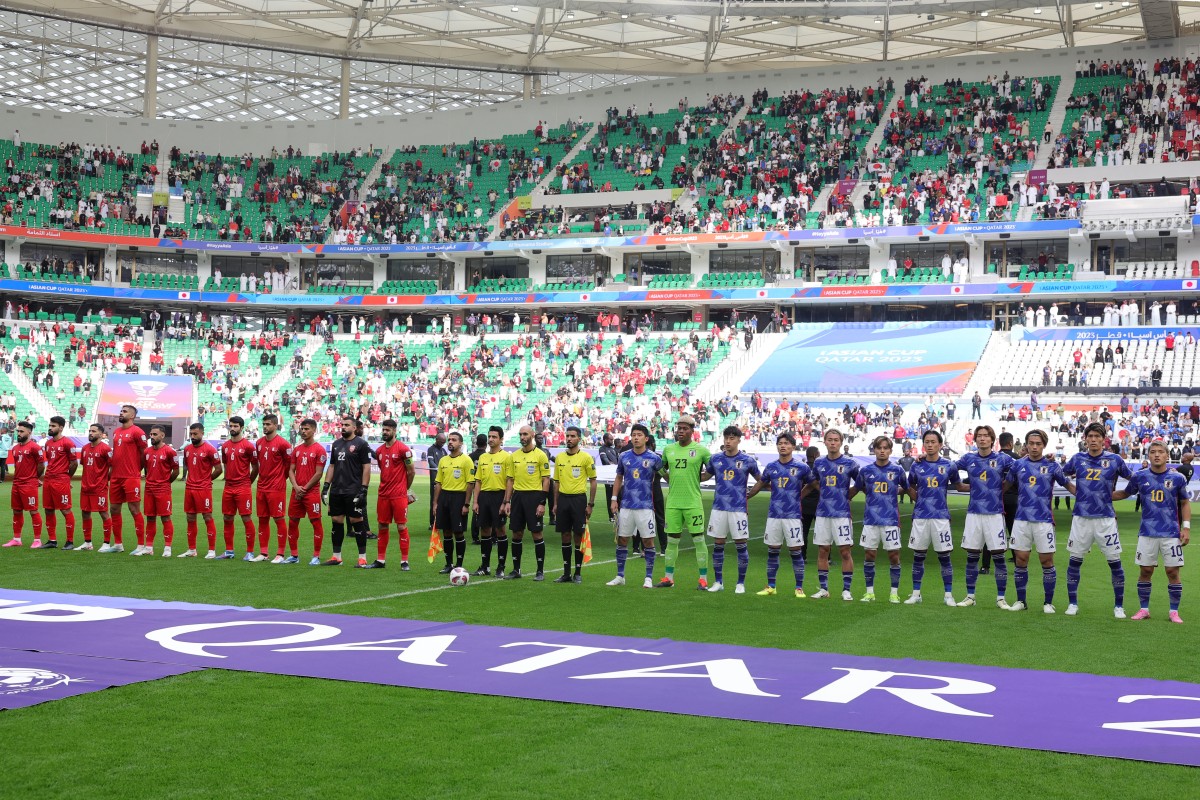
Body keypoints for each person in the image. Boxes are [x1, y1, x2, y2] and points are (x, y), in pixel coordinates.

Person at [1114, 440, 1190, 623]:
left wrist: (1186, 527)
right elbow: (1124, 494)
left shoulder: (1178, 478)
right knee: (1146, 571)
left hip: (1171, 534)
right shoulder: (1139, 476)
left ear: (1167, 455)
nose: (1156, 455)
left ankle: (1174, 612)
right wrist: (1101, 495)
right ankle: (1144, 609)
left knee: (1172, 572)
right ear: (1148, 455)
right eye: (1153, 452)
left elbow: (1185, 502)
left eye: (1160, 452)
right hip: (1147, 533)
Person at [1062, 422, 1133, 618]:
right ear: (1085, 439)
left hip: (1106, 519)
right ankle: (1072, 604)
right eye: (1090, 436)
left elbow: (1134, 481)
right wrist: (1073, 489)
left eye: (1097, 436)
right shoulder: (1077, 459)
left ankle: (1119, 606)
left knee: (1114, 562)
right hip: (1081, 518)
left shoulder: (1115, 459)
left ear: (1103, 439)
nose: (1093, 440)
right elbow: (1059, 475)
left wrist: (1120, 495)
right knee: (1075, 561)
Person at [1004, 429, 1075, 613]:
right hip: (1021, 520)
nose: (1034, 447)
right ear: (1026, 444)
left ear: (1044, 445)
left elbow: (1067, 484)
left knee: (1046, 561)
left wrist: (1087, 498)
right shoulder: (1017, 465)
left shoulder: (1052, 466)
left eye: (1038, 444)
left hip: (1044, 520)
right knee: (1021, 559)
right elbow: (1004, 486)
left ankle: (1048, 603)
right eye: (1031, 443)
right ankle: (1021, 601)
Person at [953, 425, 1013, 608]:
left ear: (992, 439)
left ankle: (1001, 598)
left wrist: (1004, 486)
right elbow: (948, 468)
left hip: (994, 514)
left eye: (986, 436)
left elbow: (1021, 469)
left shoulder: (1002, 458)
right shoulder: (969, 458)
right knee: (972, 556)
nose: (982, 439)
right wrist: (958, 484)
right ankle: (970, 596)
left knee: (999, 557)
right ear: (975, 439)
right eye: (979, 436)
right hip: (974, 514)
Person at [749, 432, 811, 597]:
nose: (783, 446)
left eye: (786, 443)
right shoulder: (771, 467)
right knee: (773, 551)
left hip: (793, 516)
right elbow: (761, 483)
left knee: (796, 551)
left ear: (792, 446)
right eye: (780, 443)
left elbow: (813, 484)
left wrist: (800, 495)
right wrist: (747, 496)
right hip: (774, 515)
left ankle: (799, 587)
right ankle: (771, 586)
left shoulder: (801, 467)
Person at [905, 430, 962, 606]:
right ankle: (916, 594)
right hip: (921, 516)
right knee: (918, 556)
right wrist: (919, 500)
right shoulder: (916, 465)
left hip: (940, 517)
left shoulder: (949, 465)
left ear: (939, 444)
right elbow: (910, 486)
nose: (930, 444)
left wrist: (983, 487)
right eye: (927, 442)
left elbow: (959, 485)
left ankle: (948, 595)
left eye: (933, 442)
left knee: (944, 556)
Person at [702, 425, 761, 593]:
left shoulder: (748, 460)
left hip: (738, 509)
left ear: (738, 440)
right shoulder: (715, 459)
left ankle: (740, 583)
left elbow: (761, 479)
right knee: (718, 544)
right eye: (726, 438)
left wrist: (750, 494)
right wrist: (687, 475)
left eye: (732, 438)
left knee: (740, 545)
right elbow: (706, 476)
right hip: (718, 508)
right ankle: (718, 582)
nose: (728, 441)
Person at [655, 416, 711, 589]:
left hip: (693, 502)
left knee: (699, 539)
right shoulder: (668, 449)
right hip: (673, 503)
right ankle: (668, 578)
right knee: (672, 540)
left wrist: (697, 479)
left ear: (692, 431)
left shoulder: (701, 450)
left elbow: (712, 470)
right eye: (678, 428)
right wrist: (668, 477)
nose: (680, 431)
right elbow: (659, 467)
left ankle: (703, 579)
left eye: (684, 428)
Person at [607, 423, 663, 588]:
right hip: (626, 506)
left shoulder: (654, 458)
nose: (636, 437)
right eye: (633, 435)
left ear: (646, 438)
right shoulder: (624, 456)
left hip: (645, 506)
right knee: (622, 539)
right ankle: (620, 576)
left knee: (648, 541)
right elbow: (618, 478)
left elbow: (664, 475)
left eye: (639, 435)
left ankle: (648, 577)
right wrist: (614, 499)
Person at [807, 428, 860, 600]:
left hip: (842, 514)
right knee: (823, 550)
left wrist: (847, 496)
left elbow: (861, 483)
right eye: (829, 439)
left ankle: (846, 590)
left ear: (841, 442)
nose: (832, 442)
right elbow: (812, 481)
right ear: (825, 441)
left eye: (836, 440)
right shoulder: (819, 463)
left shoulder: (850, 464)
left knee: (845, 551)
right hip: (822, 513)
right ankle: (824, 589)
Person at [855, 436, 908, 604]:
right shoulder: (865, 471)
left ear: (891, 451)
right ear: (875, 450)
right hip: (870, 519)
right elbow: (859, 487)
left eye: (886, 448)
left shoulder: (898, 470)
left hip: (891, 520)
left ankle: (894, 593)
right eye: (879, 448)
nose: (882, 450)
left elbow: (906, 488)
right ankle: (869, 592)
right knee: (870, 554)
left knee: (893, 556)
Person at [321, 415, 373, 567]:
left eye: (346, 425)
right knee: (336, 521)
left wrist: (363, 489)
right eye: (342, 424)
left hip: (353, 489)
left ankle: (362, 558)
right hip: (337, 490)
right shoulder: (336, 444)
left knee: (356, 521)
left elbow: (366, 467)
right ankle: (336, 557)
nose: (343, 427)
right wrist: (326, 486)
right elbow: (332, 466)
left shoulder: (362, 444)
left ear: (355, 428)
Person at [503, 425, 551, 580]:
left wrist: (542, 502)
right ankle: (516, 570)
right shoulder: (514, 456)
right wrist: (507, 501)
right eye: (520, 434)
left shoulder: (540, 455)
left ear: (532, 435)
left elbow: (546, 480)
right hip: (517, 498)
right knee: (516, 533)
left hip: (534, 497)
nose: (522, 437)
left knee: (536, 533)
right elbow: (510, 480)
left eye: (525, 434)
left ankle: (540, 571)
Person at [551, 425, 597, 584]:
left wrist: (590, 503)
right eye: (567, 436)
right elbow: (556, 482)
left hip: (578, 500)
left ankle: (577, 572)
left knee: (578, 535)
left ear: (579, 439)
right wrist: (555, 503)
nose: (569, 439)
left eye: (572, 436)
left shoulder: (586, 458)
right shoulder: (560, 458)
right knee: (564, 535)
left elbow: (593, 481)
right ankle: (565, 573)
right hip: (563, 500)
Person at [368, 419, 415, 570]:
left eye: (388, 430)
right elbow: (384, 471)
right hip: (383, 495)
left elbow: (411, 471)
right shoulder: (379, 451)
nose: (385, 432)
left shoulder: (403, 449)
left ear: (395, 431)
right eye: (383, 430)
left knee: (401, 527)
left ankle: (404, 561)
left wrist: (405, 489)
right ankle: (380, 560)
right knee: (382, 525)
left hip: (398, 495)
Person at [104, 404, 147, 553]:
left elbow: (144, 454)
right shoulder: (116, 432)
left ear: (133, 416)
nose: (121, 413)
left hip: (130, 476)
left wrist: (136, 470)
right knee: (114, 508)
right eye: (121, 411)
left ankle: (141, 546)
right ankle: (118, 544)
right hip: (116, 476)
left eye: (124, 411)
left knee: (134, 509)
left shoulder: (137, 432)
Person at [432, 431, 474, 573]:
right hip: (444, 497)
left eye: (454, 440)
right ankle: (448, 564)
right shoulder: (443, 460)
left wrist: (466, 504)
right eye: (449, 440)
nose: (450, 442)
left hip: (459, 498)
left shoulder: (466, 460)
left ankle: (459, 565)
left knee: (458, 532)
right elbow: (438, 483)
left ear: (460, 443)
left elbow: (470, 484)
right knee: (447, 532)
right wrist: (435, 503)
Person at [472, 426, 511, 576]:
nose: (491, 439)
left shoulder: (506, 457)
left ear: (501, 439)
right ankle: (485, 566)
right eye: (490, 436)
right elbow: (478, 481)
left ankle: (501, 567)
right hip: (484, 497)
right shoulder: (483, 457)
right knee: (485, 530)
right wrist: (475, 502)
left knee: (500, 529)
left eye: (494, 437)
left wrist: (506, 501)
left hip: (499, 496)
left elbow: (509, 481)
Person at [220, 415, 259, 561]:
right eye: (231, 426)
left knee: (246, 517)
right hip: (228, 487)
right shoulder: (225, 446)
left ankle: (250, 552)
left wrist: (248, 482)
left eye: (236, 426)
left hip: (243, 486)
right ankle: (229, 551)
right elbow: (225, 464)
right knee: (227, 517)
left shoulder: (248, 446)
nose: (233, 428)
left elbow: (256, 468)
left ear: (242, 428)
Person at [288, 418, 327, 565]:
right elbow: (291, 470)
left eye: (307, 429)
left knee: (315, 522)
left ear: (314, 430)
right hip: (296, 492)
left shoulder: (319, 450)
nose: (303, 431)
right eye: (302, 429)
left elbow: (318, 473)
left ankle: (316, 556)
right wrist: (297, 487)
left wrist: (304, 488)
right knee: (292, 521)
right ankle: (293, 555)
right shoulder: (297, 450)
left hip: (311, 493)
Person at [255, 413, 292, 563]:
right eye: (264, 424)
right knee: (262, 519)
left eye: (268, 424)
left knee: (278, 518)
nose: (265, 427)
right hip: (261, 486)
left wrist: (280, 479)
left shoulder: (283, 444)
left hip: (276, 487)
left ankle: (280, 554)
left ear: (276, 426)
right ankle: (263, 553)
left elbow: (289, 466)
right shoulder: (258, 442)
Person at [181, 422, 222, 558]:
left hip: (203, 489)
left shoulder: (210, 449)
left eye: (195, 434)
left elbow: (219, 469)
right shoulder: (187, 450)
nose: (192, 436)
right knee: (190, 517)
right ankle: (191, 550)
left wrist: (207, 480)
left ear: (202, 433)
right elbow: (188, 466)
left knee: (207, 516)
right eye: (191, 434)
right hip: (189, 488)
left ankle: (211, 550)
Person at [2, 420, 44, 548]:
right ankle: (16, 539)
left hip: (29, 484)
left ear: (29, 432)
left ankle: (37, 540)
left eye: (21, 431)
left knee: (33, 511)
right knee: (17, 511)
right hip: (16, 484)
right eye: (18, 431)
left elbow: (41, 465)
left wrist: (34, 478)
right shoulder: (15, 448)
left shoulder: (35, 447)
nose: (18, 433)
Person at [40, 415, 78, 550]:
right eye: (50, 425)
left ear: (61, 428)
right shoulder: (48, 443)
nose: (50, 428)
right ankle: (52, 540)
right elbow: (50, 461)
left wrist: (67, 478)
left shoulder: (68, 443)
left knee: (65, 509)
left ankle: (70, 541)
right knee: (48, 510)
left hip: (61, 480)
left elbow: (74, 463)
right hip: (48, 480)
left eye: (53, 426)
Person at [140, 425, 178, 557]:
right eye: (151, 434)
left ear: (162, 436)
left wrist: (166, 482)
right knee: (150, 517)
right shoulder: (147, 452)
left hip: (163, 489)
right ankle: (148, 547)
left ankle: (167, 547)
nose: (152, 437)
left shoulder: (170, 451)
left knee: (165, 517)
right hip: (149, 489)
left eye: (155, 434)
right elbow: (146, 468)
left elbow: (176, 471)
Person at [799, 445, 821, 556]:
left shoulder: (801, 469)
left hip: (804, 504)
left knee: (803, 531)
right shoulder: (821, 469)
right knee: (823, 532)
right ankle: (827, 557)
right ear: (815, 455)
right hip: (819, 505)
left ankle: (802, 556)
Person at [468, 432, 487, 545]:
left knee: (476, 511)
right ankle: (492, 536)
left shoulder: (470, 456)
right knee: (488, 511)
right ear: (486, 443)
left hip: (473, 485)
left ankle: (475, 536)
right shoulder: (487, 456)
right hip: (485, 486)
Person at [425, 433, 447, 532]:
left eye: (444, 442)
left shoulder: (443, 450)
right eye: (441, 442)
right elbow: (431, 462)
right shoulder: (431, 449)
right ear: (437, 439)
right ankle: (432, 523)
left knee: (443, 502)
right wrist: (440, 469)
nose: (443, 444)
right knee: (434, 501)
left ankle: (441, 522)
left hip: (445, 481)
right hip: (435, 480)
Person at [599, 433, 619, 522]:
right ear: (606, 439)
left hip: (616, 476)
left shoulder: (613, 449)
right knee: (610, 496)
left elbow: (618, 461)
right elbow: (605, 460)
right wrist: (612, 464)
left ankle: (617, 514)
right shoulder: (602, 449)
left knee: (618, 496)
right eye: (610, 439)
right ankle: (611, 516)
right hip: (608, 476)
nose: (612, 441)